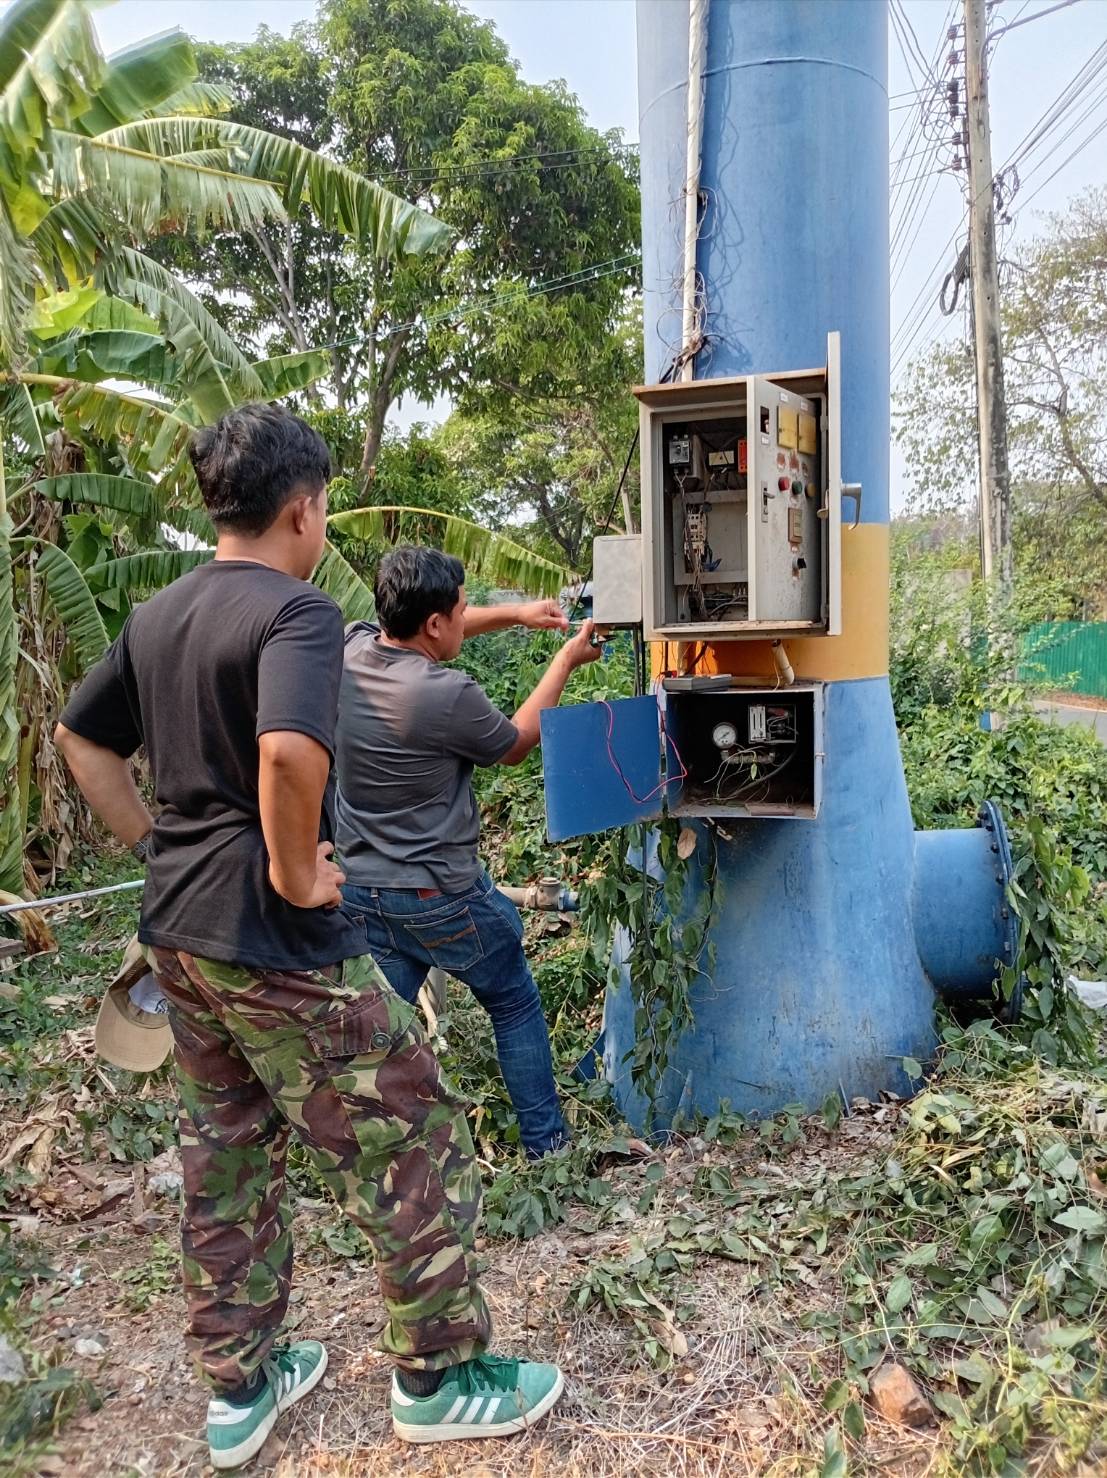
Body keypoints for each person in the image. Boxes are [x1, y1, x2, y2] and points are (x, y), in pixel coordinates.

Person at [54, 406, 563, 1470]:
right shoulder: (294, 614)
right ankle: (437, 1376)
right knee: (411, 1120)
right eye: (324, 504)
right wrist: (291, 870)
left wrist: (159, 843)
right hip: (268, 929)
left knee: (228, 1147)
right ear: (302, 508)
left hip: (177, 934)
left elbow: (81, 737)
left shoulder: (160, 612)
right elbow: (289, 756)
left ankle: (241, 1384)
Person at [334, 545, 602, 1160]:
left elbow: (429, 628)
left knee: (379, 1036)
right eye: (460, 611)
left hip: (363, 894)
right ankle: (548, 1147)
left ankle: (373, 1154)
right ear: (435, 624)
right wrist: (564, 659)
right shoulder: (444, 694)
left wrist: (515, 614)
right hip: (442, 896)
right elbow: (515, 743)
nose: (465, 617)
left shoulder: (348, 651)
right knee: (512, 998)